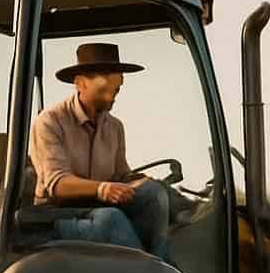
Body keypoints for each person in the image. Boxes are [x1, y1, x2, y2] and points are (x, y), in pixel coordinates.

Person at [28, 42, 171, 261]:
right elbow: (57, 184)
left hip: (98, 207)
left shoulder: (115, 127)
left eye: (116, 90)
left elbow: (120, 176)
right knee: (110, 220)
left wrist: (140, 181)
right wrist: (101, 189)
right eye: (103, 90)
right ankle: (148, 271)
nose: (111, 98)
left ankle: (161, 266)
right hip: (56, 215)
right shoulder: (49, 122)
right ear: (80, 84)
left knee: (155, 195)